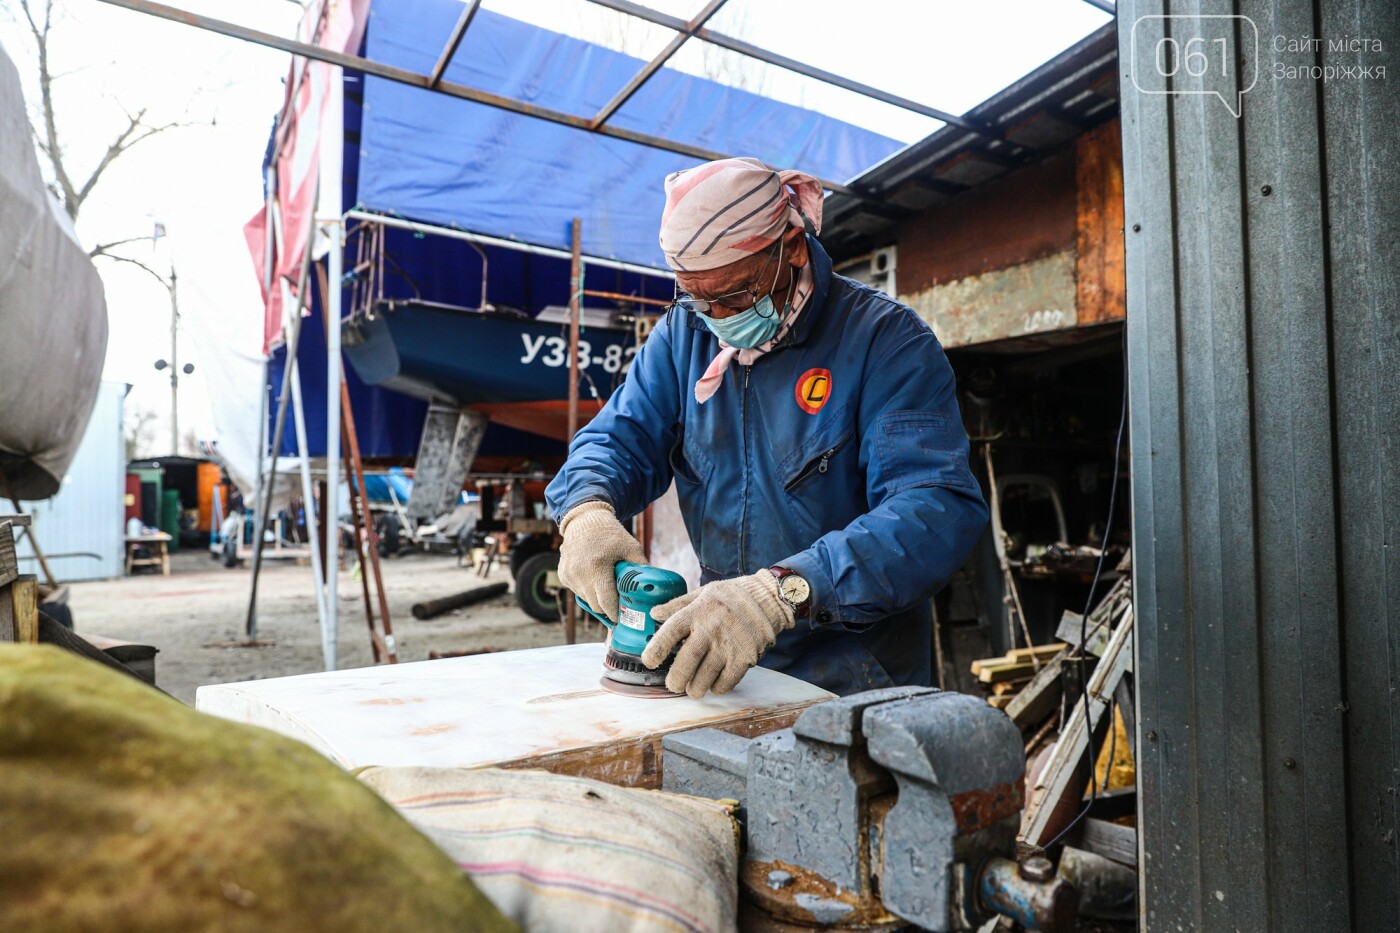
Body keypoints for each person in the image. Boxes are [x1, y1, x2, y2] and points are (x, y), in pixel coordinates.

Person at [544, 157, 987, 698]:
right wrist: (586, 511)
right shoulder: (687, 333)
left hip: (855, 684)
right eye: (694, 296)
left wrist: (784, 593)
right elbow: (618, 438)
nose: (714, 317)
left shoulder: (886, 343)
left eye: (732, 296)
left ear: (791, 250)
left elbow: (935, 508)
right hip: (721, 666)